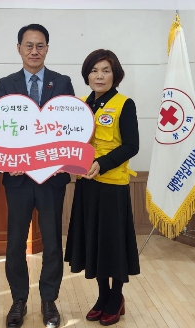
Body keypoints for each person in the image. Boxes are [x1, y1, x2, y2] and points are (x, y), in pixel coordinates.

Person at [0, 24, 75, 328]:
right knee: (16, 242)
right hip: (18, 179)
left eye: (40, 45)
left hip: (51, 178)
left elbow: (69, 128)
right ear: (19, 48)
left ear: (47, 49)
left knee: (52, 242)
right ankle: (18, 300)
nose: (34, 51)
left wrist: (62, 159)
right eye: (28, 45)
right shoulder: (6, 84)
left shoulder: (62, 82)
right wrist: (10, 160)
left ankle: (49, 301)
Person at [64, 49, 141, 326]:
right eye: (94, 70)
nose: (99, 76)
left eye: (106, 70)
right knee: (93, 241)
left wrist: (102, 163)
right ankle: (102, 295)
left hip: (112, 186)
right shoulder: (80, 105)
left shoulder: (124, 104)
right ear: (87, 75)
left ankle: (116, 297)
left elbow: (132, 145)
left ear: (115, 75)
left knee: (112, 243)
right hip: (86, 185)